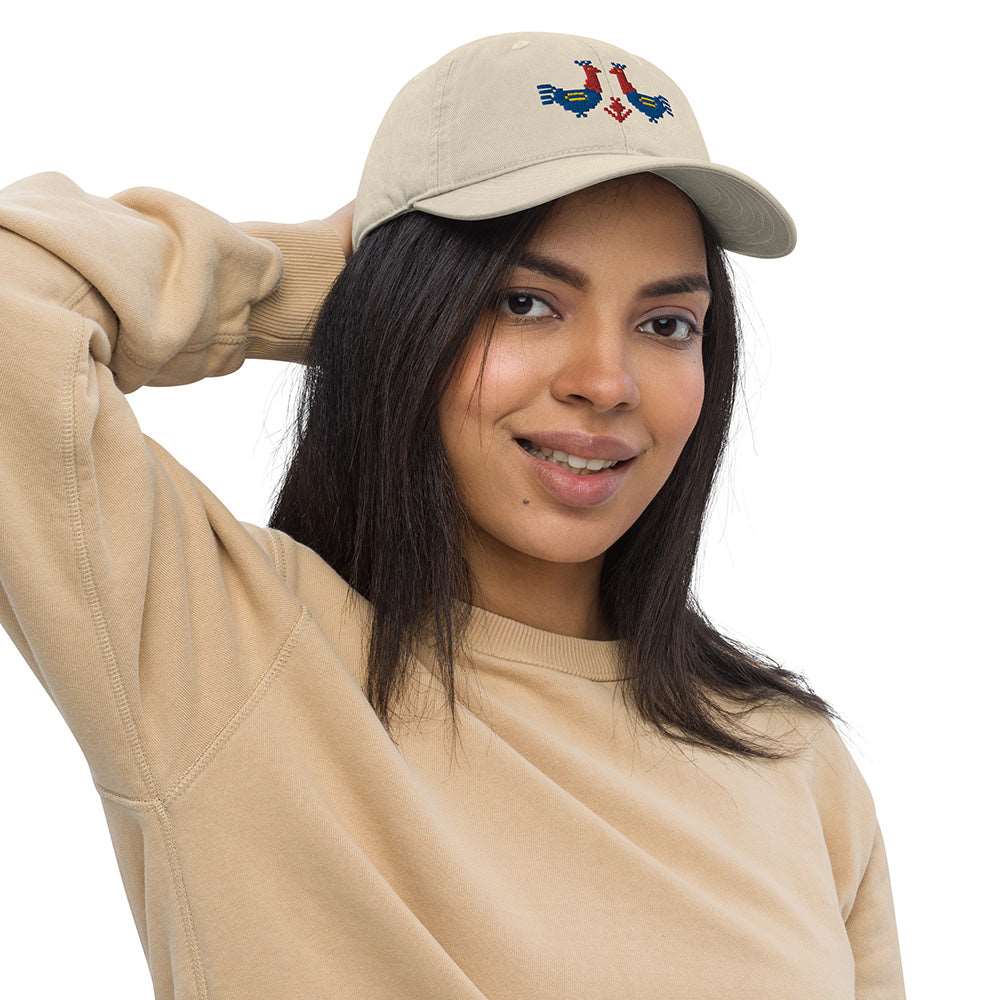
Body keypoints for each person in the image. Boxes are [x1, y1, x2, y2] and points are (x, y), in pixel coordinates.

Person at [0, 30, 906, 1000]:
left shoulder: (792, 761)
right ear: (413, 309)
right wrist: (321, 286)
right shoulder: (229, 660)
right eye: (524, 302)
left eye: (665, 324)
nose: (606, 382)